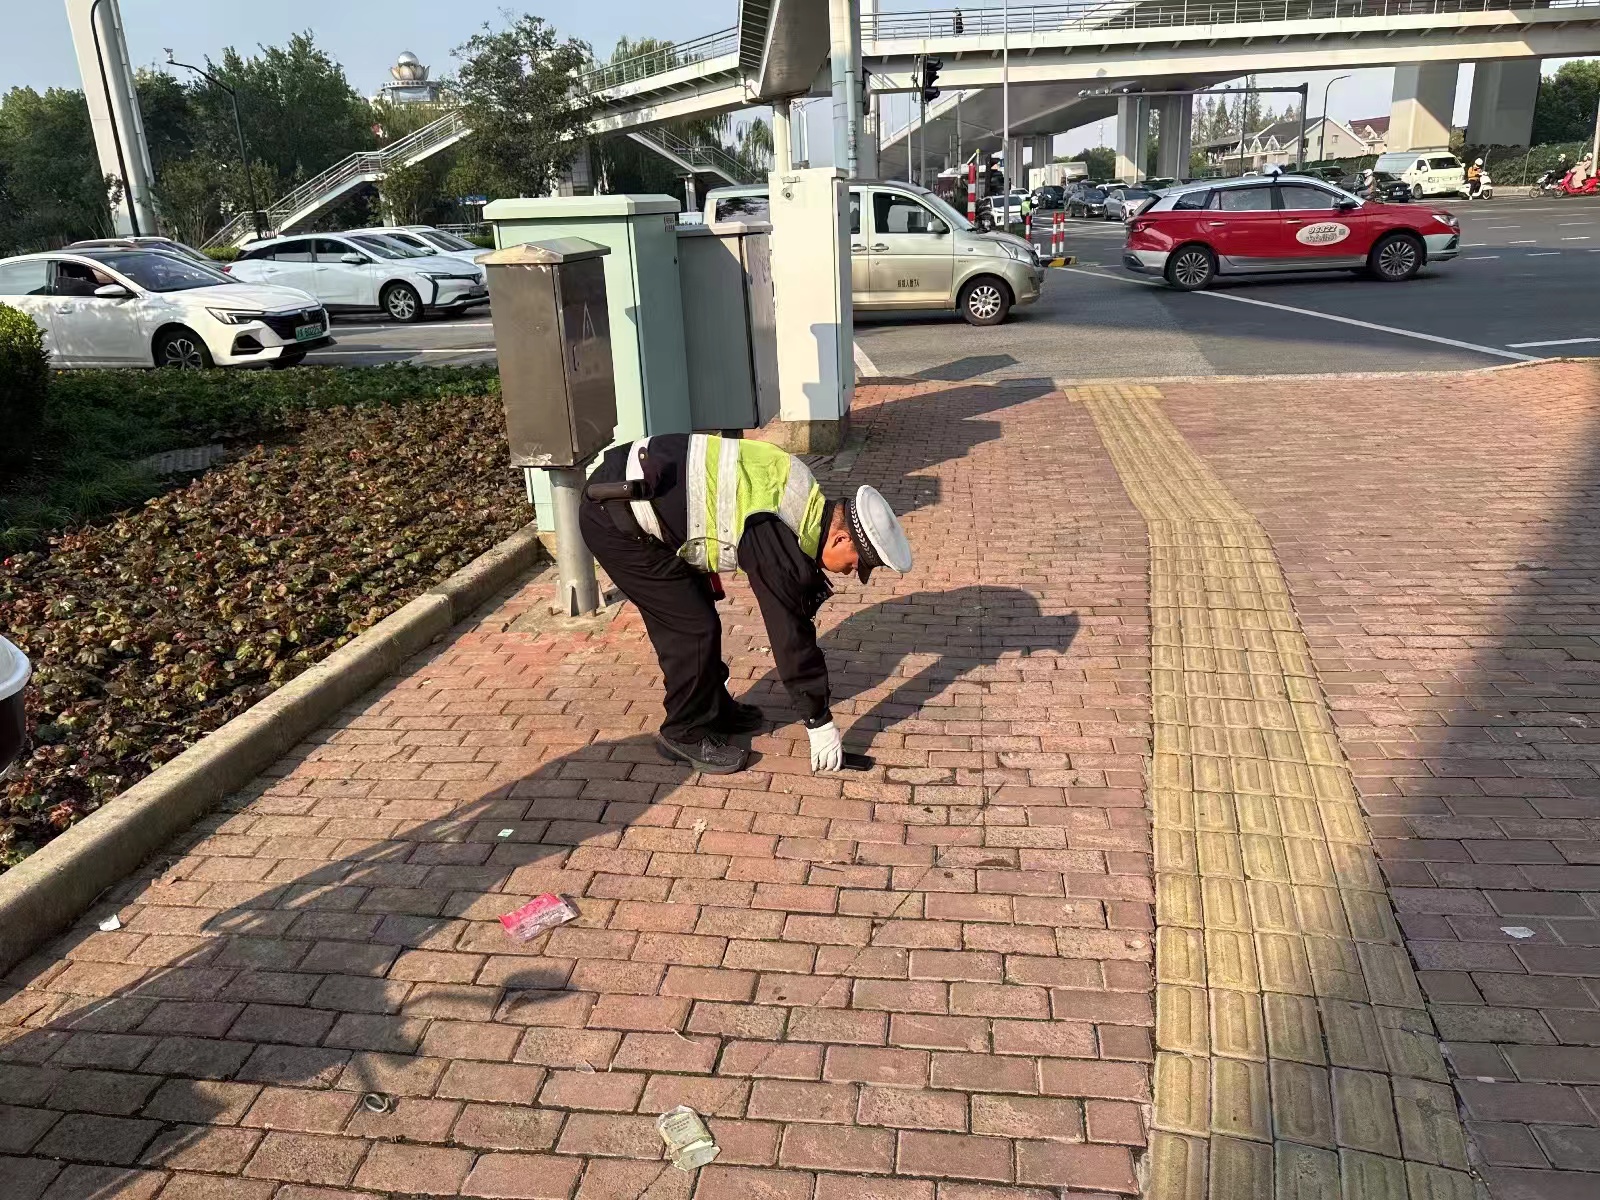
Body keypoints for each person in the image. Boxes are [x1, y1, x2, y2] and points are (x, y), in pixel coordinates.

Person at [579, 434, 913, 776]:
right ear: (841, 537)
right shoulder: (776, 533)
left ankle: (713, 709)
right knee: (691, 628)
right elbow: (790, 635)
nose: (853, 572)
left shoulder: (802, 494)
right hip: (616, 515)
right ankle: (683, 731)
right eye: (857, 563)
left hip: (645, 495)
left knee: (699, 617)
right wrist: (819, 721)